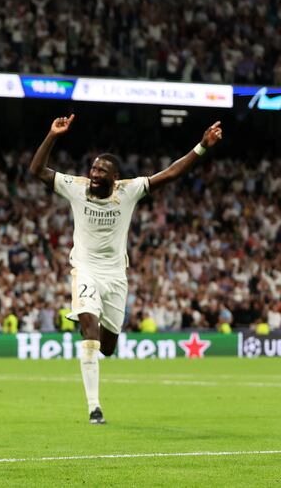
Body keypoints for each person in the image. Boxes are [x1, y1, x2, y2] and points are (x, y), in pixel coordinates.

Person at [29, 114, 223, 424]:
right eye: (93, 168)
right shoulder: (76, 187)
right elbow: (36, 170)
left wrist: (202, 146)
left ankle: (95, 343)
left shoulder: (129, 191)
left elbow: (171, 173)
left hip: (116, 276)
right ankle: (94, 407)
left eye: (102, 170)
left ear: (114, 177)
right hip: (85, 269)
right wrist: (52, 135)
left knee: (107, 347)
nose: (94, 173)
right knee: (88, 328)